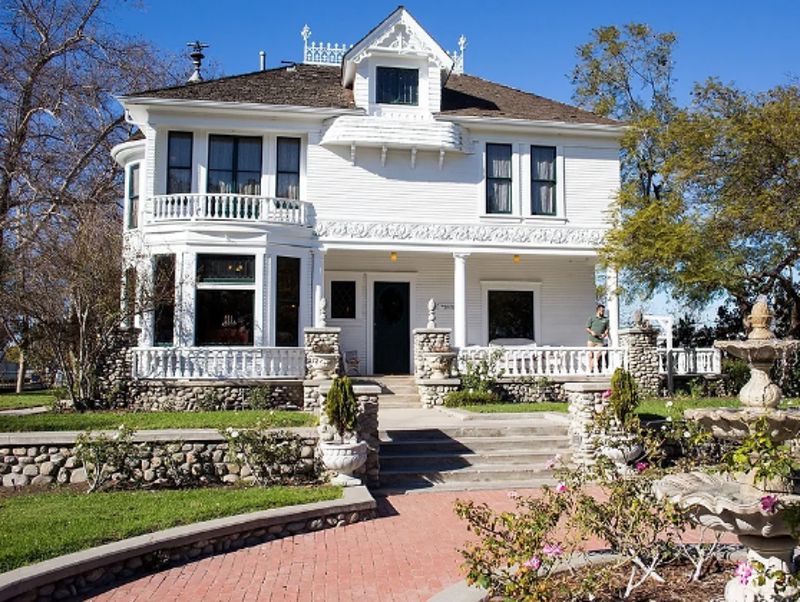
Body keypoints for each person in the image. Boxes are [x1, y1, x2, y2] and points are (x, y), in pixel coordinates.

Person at [585, 304, 609, 373]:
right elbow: (587, 328)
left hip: (600, 341)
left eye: (603, 311)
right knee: (590, 355)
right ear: (598, 310)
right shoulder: (592, 318)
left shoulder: (606, 319)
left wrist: (604, 334)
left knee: (597, 355)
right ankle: (590, 370)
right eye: (602, 310)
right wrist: (591, 332)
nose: (603, 312)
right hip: (591, 340)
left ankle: (590, 369)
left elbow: (607, 329)